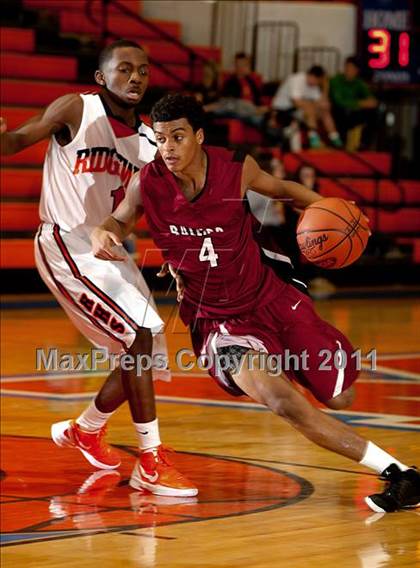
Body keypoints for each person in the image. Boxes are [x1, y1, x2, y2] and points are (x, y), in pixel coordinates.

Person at [92, 94, 419, 512]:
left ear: (200, 136)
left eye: (178, 136)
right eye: (160, 139)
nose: (168, 147)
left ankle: (290, 366)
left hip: (274, 300)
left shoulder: (234, 168)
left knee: (340, 398)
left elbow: (284, 190)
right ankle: (401, 474)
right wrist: (105, 232)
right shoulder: (148, 182)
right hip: (218, 324)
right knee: (284, 402)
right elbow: (119, 218)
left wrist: (334, 210)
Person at [0, 40, 196, 497]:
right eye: (124, 69)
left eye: (143, 70)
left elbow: (160, 207)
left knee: (148, 347)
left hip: (109, 249)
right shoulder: (76, 108)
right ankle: (150, 460)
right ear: (101, 78)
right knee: (137, 337)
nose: (136, 77)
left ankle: (87, 429)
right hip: (65, 242)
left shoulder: (150, 141)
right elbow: (15, 142)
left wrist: (177, 255)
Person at [272, 65, 342, 149]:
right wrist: (314, 105)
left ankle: (334, 137)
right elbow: (296, 102)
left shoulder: (313, 85)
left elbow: (323, 104)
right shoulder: (296, 79)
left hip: (298, 110)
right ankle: (314, 138)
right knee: (309, 107)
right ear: (312, 76)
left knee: (324, 110)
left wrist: (326, 87)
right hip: (282, 110)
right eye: (318, 81)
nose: (317, 84)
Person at [329, 56, 378, 150]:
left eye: (352, 68)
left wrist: (368, 103)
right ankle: (340, 144)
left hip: (353, 113)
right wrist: (360, 103)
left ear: (357, 70)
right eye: (347, 67)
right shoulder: (336, 80)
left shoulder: (359, 83)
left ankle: (363, 144)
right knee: (340, 111)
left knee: (373, 113)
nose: (348, 70)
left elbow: (371, 100)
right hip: (338, 113)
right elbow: (339, 101)